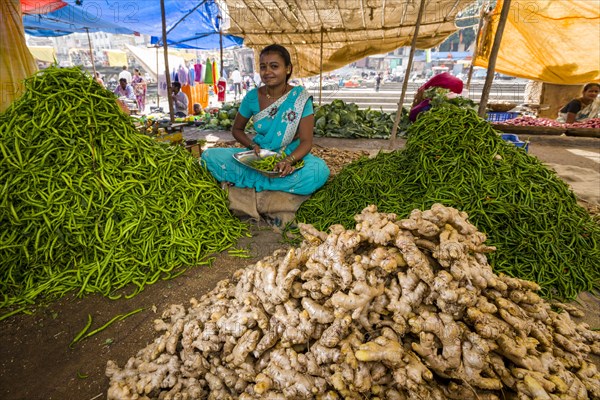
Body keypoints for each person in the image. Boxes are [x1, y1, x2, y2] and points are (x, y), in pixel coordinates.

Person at [201, 44, 330, 196]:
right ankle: (273, 183)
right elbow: (236, 130)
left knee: (318, 171)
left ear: (288, 69)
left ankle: (250, 182)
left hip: (290, 155)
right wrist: (252, 145)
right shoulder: (251, 97)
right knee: (209, 157)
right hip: (259, 155)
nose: (267, 72)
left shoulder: (300, 98)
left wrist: (288, 161)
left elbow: (306, 141)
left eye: (274, 66)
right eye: (263, 67)